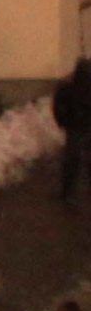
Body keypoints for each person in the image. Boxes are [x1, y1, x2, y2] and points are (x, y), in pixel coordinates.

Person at [58, 45, 91, 206]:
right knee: (75, 160)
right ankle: (68, 192)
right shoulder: (69, 87)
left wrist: (63, 122)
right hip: (79, 127)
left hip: (75, 127)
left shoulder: (67, 86)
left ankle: (68, 192)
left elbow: (59, 107)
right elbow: (60, 106)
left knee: (73, 160)